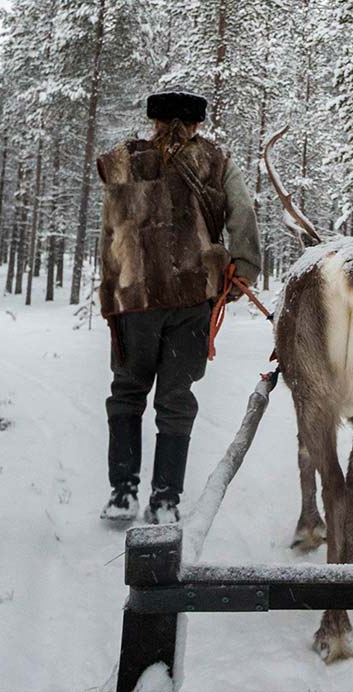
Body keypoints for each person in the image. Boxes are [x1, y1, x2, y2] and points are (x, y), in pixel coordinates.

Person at [96, 90, 261, 524]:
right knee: (175, 398)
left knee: (128, 392)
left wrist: (112, 290)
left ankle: (121, 494)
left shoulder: (122, 159)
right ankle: (165, 501)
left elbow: (110, 227)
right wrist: (241, 271)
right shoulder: (217, 162)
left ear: (153, 121)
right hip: (191, 298)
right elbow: (242, 215)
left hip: (134, 299)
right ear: (197, 124)